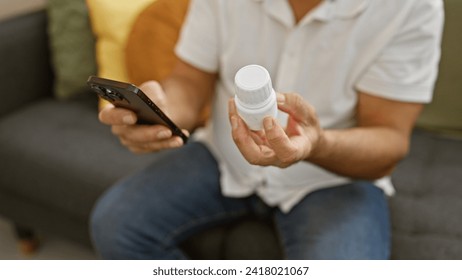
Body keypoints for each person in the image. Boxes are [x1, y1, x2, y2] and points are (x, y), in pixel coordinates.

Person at [90, 0, 444, 259]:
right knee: (115, 226)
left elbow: (389, 141)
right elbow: (189, 80)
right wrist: (164, 111)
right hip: (223, 154)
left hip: (331, 177)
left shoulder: (410, 8)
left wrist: (317, 145)